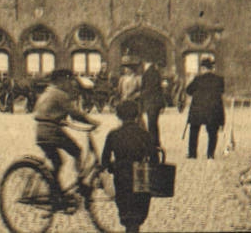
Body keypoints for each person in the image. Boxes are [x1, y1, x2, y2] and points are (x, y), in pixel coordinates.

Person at [32, 69, 96, 195]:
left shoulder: (47, 92)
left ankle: (55, 190)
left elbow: (43, 112)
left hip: (41, 131)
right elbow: (75, 114)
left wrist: (60, 119)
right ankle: (80, 183)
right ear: (61, 80)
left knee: (57, 162)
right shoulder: (60, 94)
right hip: (52, 132)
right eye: (68, 80)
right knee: (77, 151)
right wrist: (93, 122)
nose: (69, 84)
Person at [101, 99, 159, 233]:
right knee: (138, 210)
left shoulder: (113, 134)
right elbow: (154, 158)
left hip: (121, 174)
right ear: (137, 115)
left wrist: (113, 168)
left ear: (118, 116)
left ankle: (129, 226)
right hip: (141, 174)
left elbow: (105, 160)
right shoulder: (144, 134)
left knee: (126, 210)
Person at [185, 53, 225, 159]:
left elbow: (188, 90)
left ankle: (192, 153)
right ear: (212, 68)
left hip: (198, 110)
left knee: (194, 130)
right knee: (212, 132)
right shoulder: (219, 79)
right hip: (213, 110)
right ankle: (210, 154)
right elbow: (222, 91)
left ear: (202, 68)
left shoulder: (198, 79)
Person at [138, 61, 164, 143]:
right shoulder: (157, 73)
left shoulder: (147, 74)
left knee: (151, 123)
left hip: (150, 102)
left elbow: (146, 88)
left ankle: (153, 142)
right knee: (154, 123)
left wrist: (141, 95)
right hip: (157, 102)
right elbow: (160, 89)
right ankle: (156, 141)